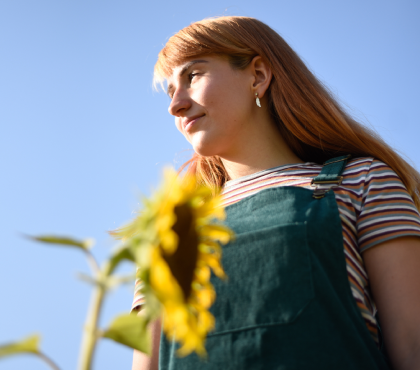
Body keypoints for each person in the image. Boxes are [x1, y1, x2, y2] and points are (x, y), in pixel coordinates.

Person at [132, 16, 420, 370]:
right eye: (170, 90)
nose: (175, 105)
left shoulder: (362, 181)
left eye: (192, 76)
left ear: (258, 75)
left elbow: (412, 346)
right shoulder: (169, 229)